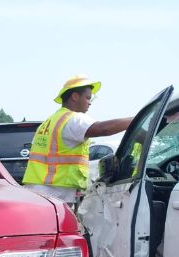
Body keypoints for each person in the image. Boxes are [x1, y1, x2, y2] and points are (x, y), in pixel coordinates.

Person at [23, 75, 134, 205]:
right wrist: (136, 119)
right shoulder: (73, 119)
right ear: (75, 97)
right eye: (88, 97)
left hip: (40, 191)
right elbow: (102, 129)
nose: (90, 102)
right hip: (55, 194)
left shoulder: (51, 121)